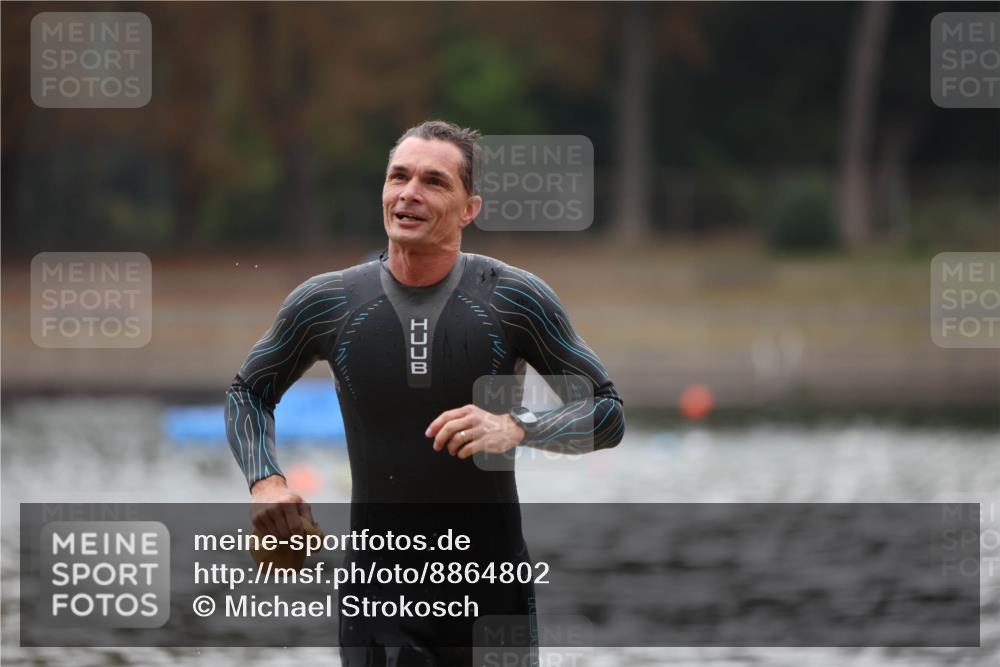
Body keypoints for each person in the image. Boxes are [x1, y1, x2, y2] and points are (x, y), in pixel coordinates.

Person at [225, 120, 625, 665]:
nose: (409, 192)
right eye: (399, 176)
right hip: (377, 601)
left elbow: (607, 411)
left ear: (469, 209)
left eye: (434, 181)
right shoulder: (327, 302)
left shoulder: (514, 298)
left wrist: (517, 426)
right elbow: (248, 391)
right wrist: (266, 483)